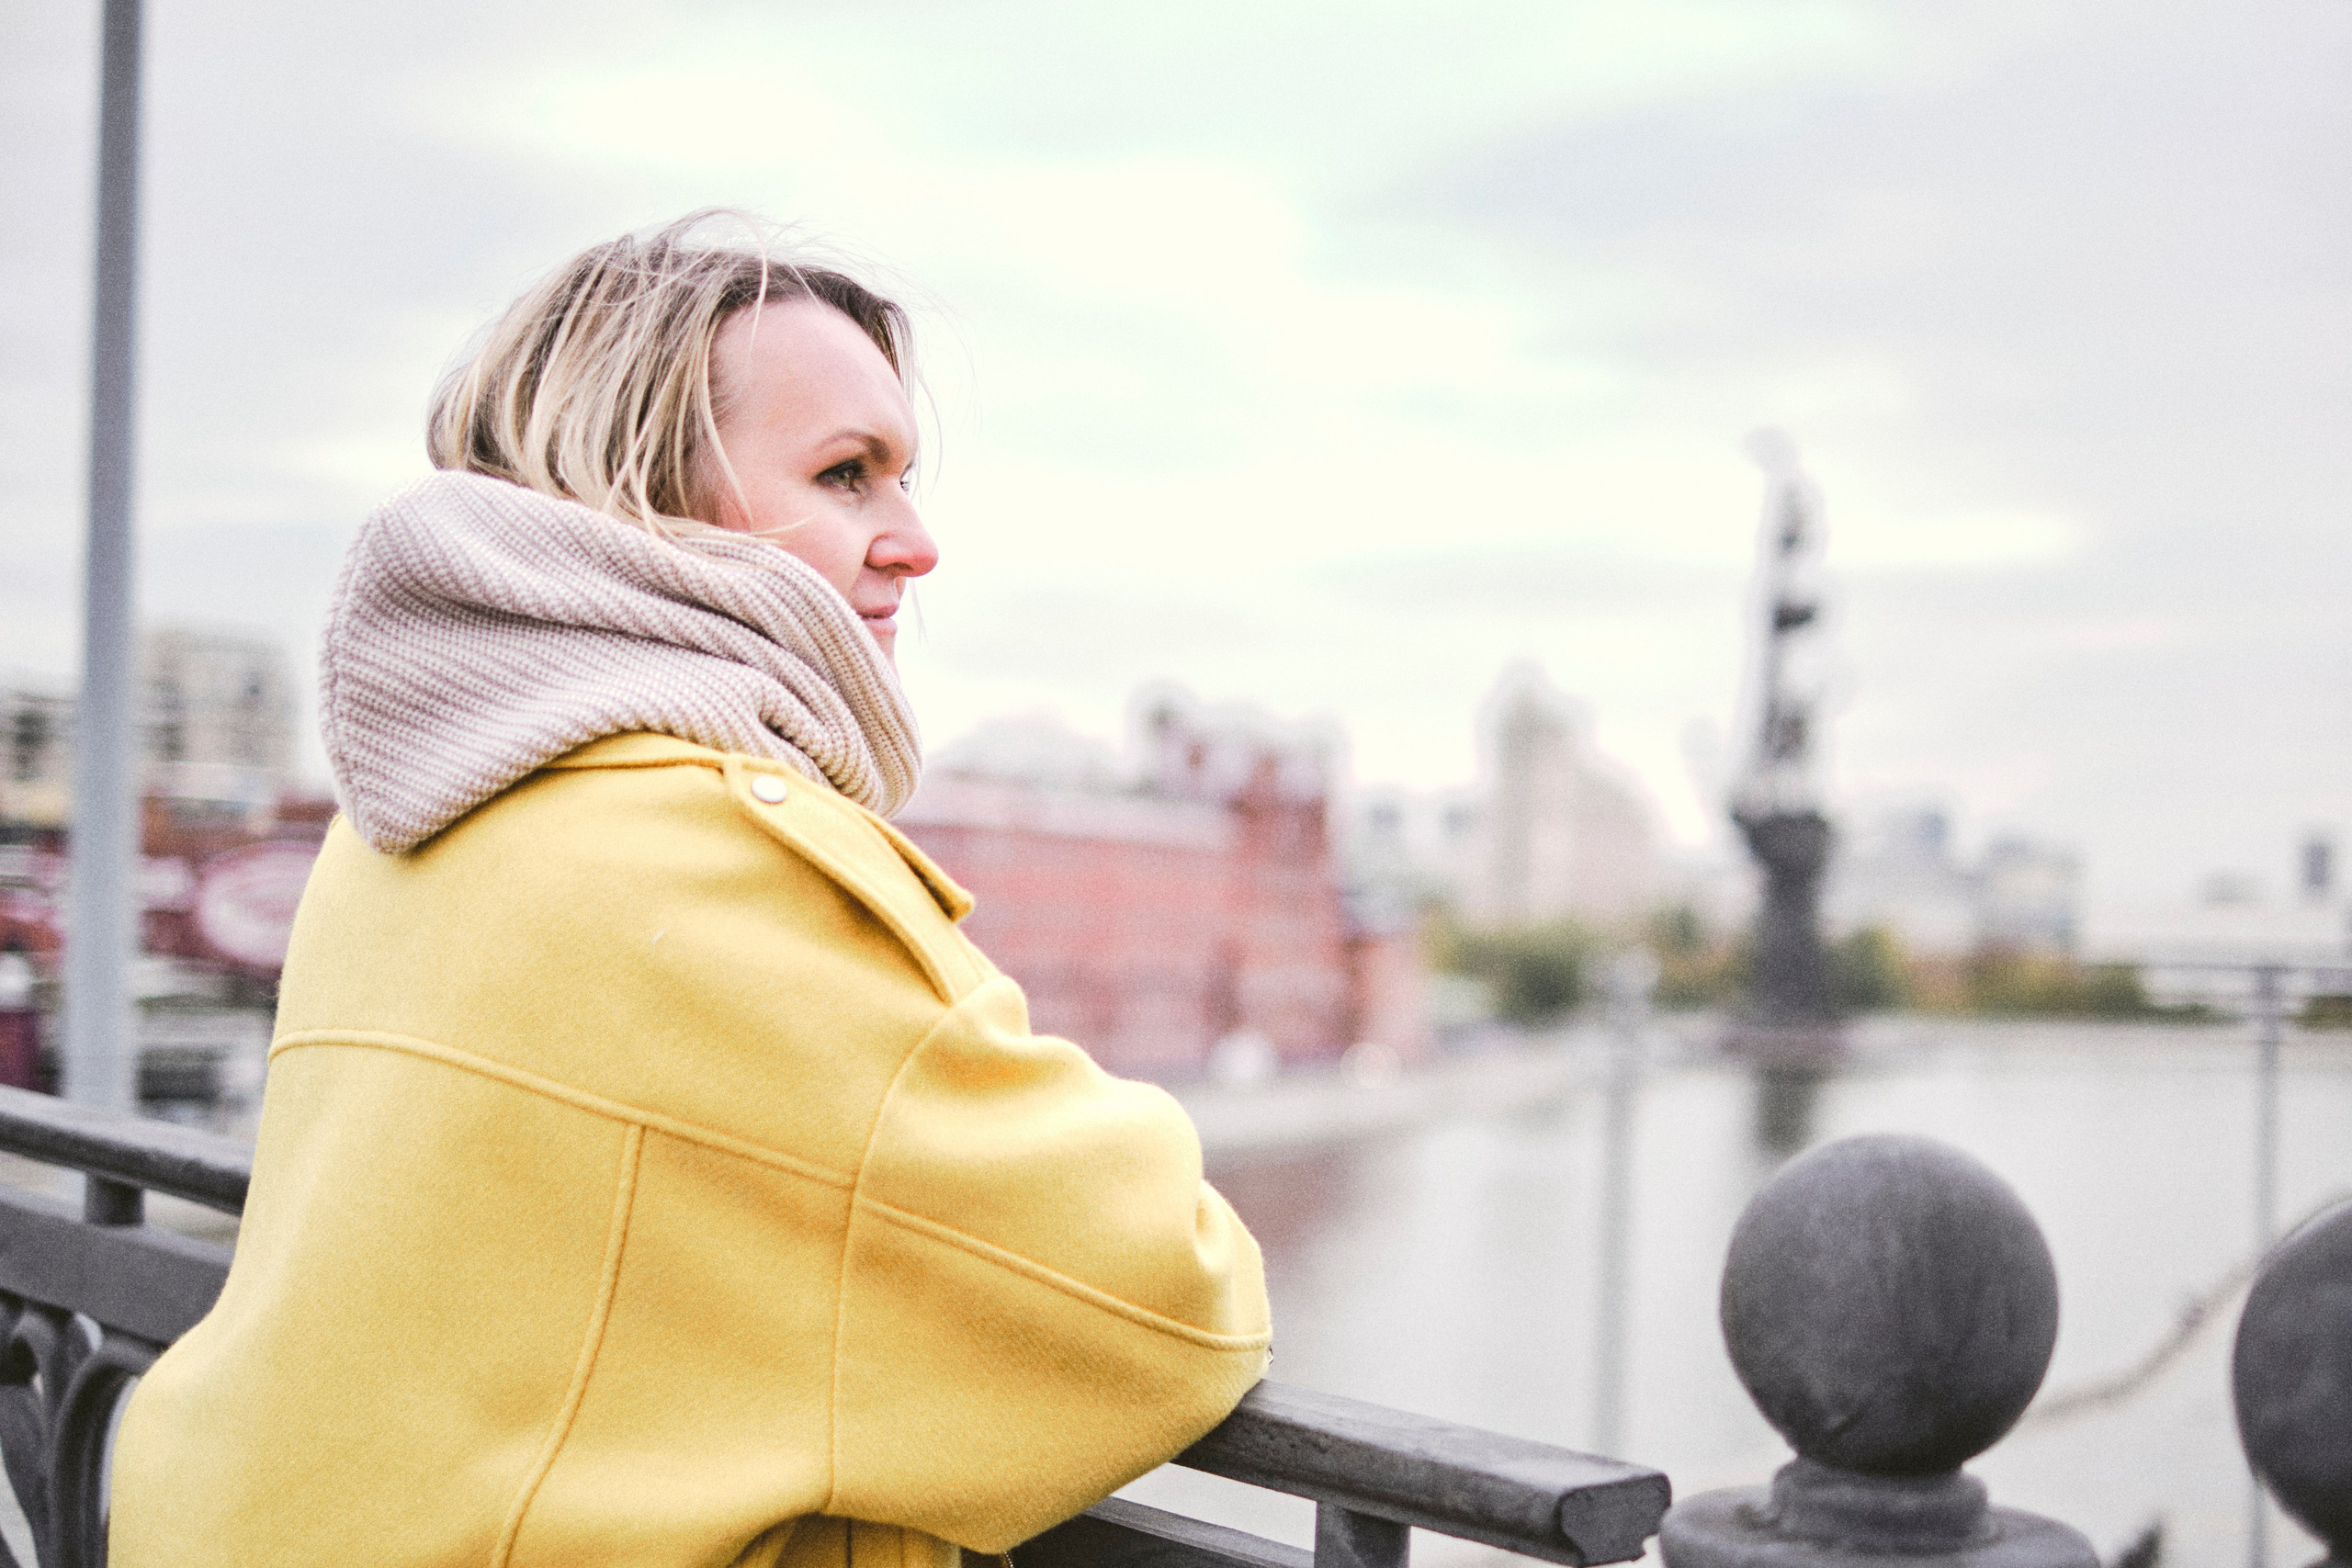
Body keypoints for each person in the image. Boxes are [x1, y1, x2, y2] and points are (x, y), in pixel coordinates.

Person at [109, 211, 1272, 1568]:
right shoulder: (714, 858)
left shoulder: (413, 813)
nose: (914, 541)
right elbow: (1161, 1294)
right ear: (638, 491)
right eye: (849, 475)